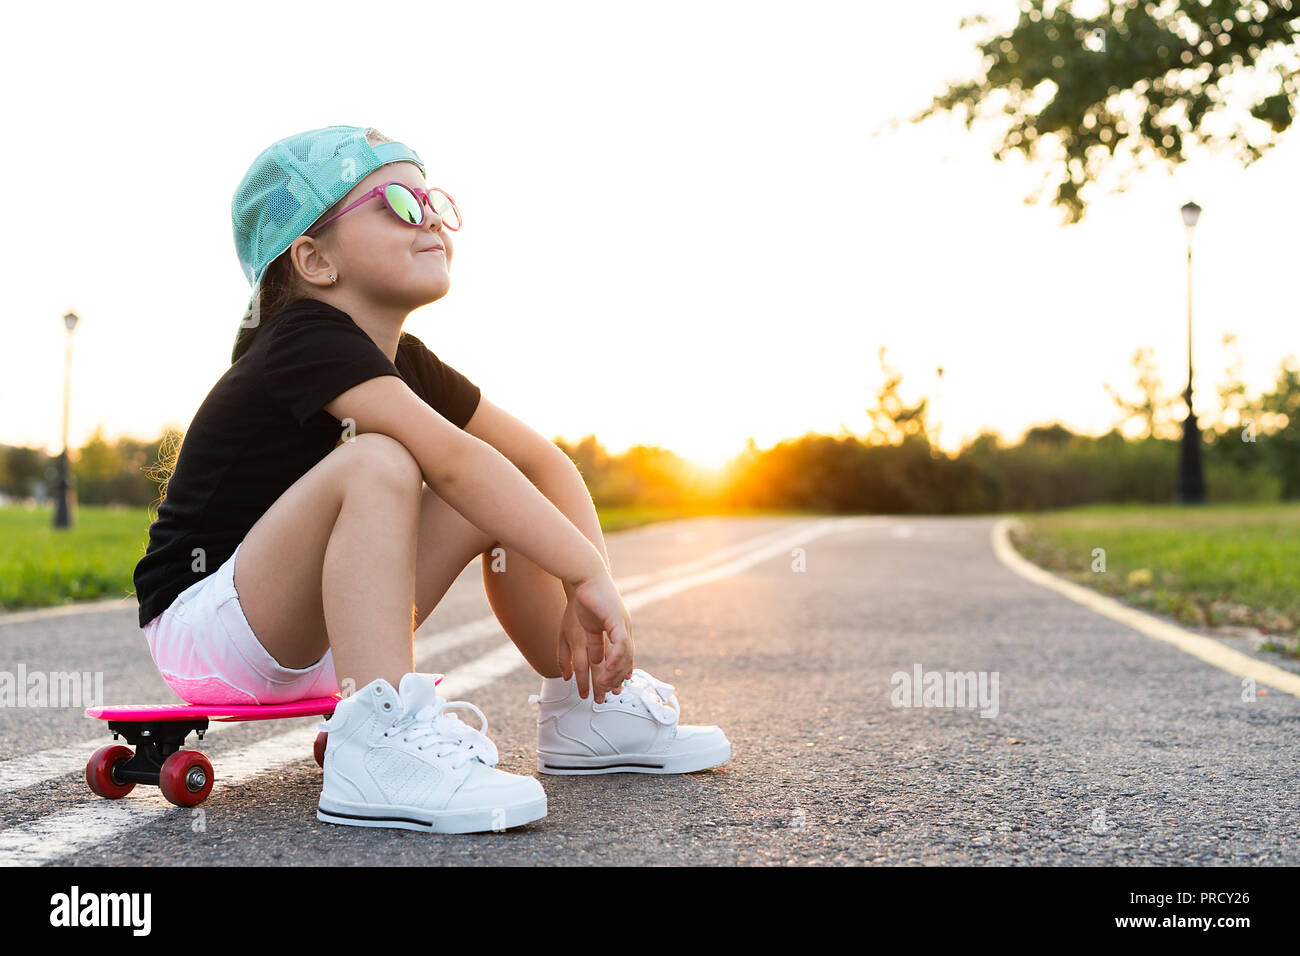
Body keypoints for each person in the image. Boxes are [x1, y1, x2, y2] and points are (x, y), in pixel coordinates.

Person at [131, 125, 730, 834]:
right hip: (212, 629)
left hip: (323, 640)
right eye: (399, 204)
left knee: (495, 488)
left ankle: (584, 704)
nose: (432, 220)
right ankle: (378, 749)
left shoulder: (405, 360)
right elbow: (449, 460)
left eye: (434, 201)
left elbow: (542, 464)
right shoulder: (302, 337)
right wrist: (580, 570)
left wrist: (586, 586)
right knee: (382, 459)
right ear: (314, 259)